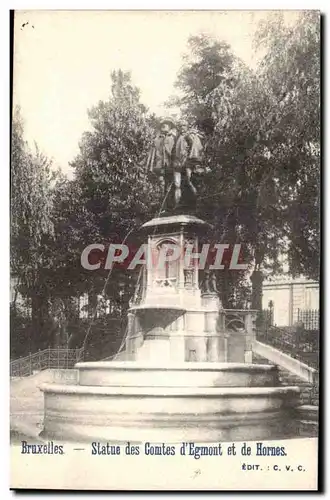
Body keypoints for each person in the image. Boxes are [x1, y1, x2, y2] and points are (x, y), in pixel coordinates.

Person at [172, 120, 204, 207]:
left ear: (187, 127)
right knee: (177, 185)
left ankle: (198, 202)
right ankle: (177, 204)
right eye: (180, 126)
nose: (182, 127)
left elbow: (195, 148)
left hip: (187, 163)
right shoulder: (177, 137)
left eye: (184, 126)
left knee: (190, 182)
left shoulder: (189, 136)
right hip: (177, 163)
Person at [146, 117, 177, 195]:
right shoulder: (157, 139)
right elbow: (151, 153)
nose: (164, 125)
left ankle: (169, 201)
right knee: (161, 183)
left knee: (172, 184)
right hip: (159, 164)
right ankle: (162, 200)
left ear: (170, 126)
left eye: (166, 124)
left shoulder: (174, 138)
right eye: (163, 124)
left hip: (171, 164)